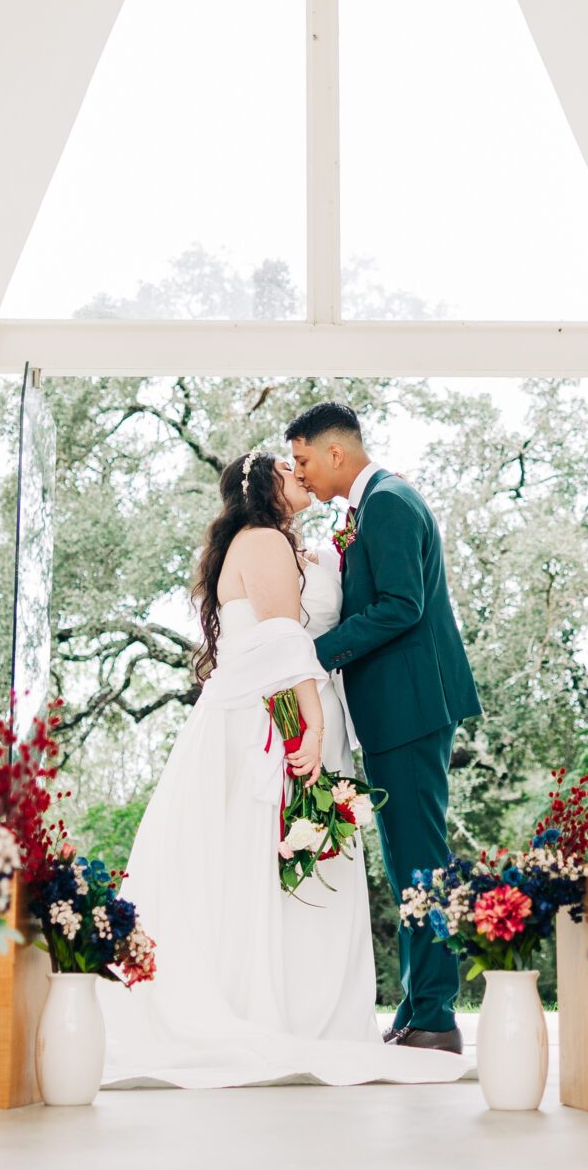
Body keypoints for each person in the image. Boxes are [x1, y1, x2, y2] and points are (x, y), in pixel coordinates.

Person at [98, 449, 461, 1087]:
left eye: (302, 465)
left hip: (294, 707)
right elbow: (282, 640)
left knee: (283, 861)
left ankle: (302, 1007)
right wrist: (313, 722)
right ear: (265, 488)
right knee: (271, 858)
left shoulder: (293, 541)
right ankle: (280, 1010)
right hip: (283, 717)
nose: (301, 476)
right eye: (288, 470)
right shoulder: (263, 540)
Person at [287, 400, 482, 1053]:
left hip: (411, 704)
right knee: (406, 859)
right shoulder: (370, 507)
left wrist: (314, 652)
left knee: (421, 858)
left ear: (336, 452)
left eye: (305, 459)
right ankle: (416, 1003)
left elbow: (403, 604)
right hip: (395, 709)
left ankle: (435, 1012)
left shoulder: (390, 502)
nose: (302, 472)